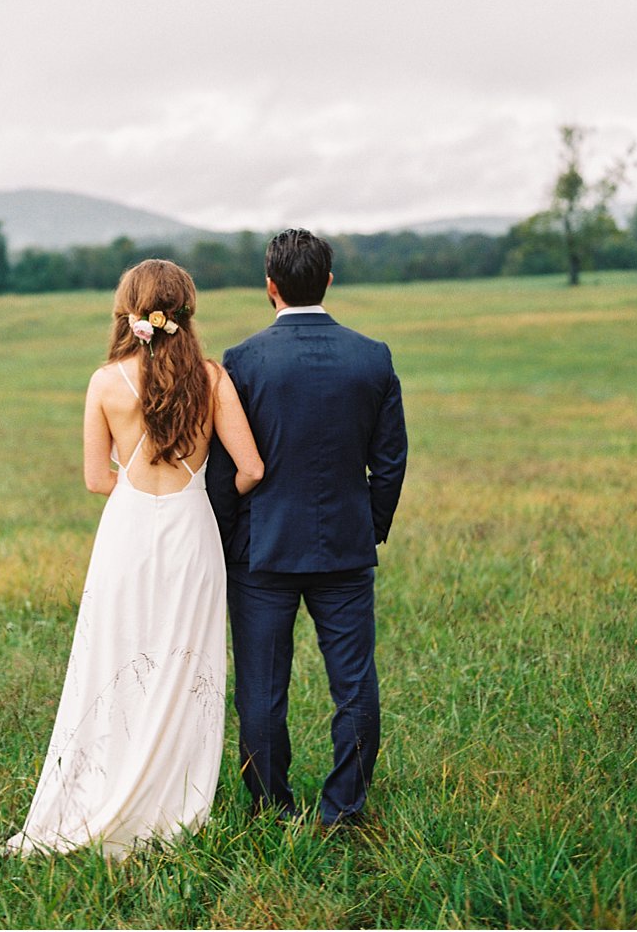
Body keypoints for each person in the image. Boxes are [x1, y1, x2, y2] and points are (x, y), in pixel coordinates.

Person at [5, 259, 264, 859]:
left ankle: (103, 784)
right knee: (182, 663)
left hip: (125, 535)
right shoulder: (212, 378)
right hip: (191, 532)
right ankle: (172, 799)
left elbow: (99, 479)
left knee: (116, 659)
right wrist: (205, 493)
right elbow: (251, 469)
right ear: (185, 311)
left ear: (128, 312)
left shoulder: (103, 382)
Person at [206, 228, 407, 828]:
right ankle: (344, 809)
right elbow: (390, 462)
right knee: (353, 681)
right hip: (346, 548)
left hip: (260, 553)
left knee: (262, 690)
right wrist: (366, 525)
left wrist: (227, 540)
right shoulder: (372, 356)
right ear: (329, 280)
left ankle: (271, 806)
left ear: (270, 286)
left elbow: (225, 469)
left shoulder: (242, 362)